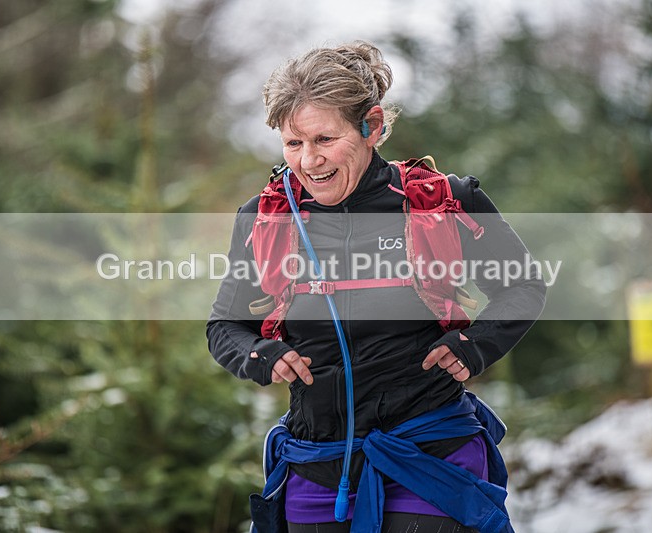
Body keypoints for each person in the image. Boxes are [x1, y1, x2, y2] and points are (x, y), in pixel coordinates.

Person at [207, 41, 546, 533]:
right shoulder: (266, 219)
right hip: (317, 465)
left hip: (429, 449)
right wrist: (259, 354)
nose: (307, 161)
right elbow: (225, 326)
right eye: (292, 143)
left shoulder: (440, 202)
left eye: (324, 139)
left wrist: (474, 345)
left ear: (372, 126)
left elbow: (523, 285)